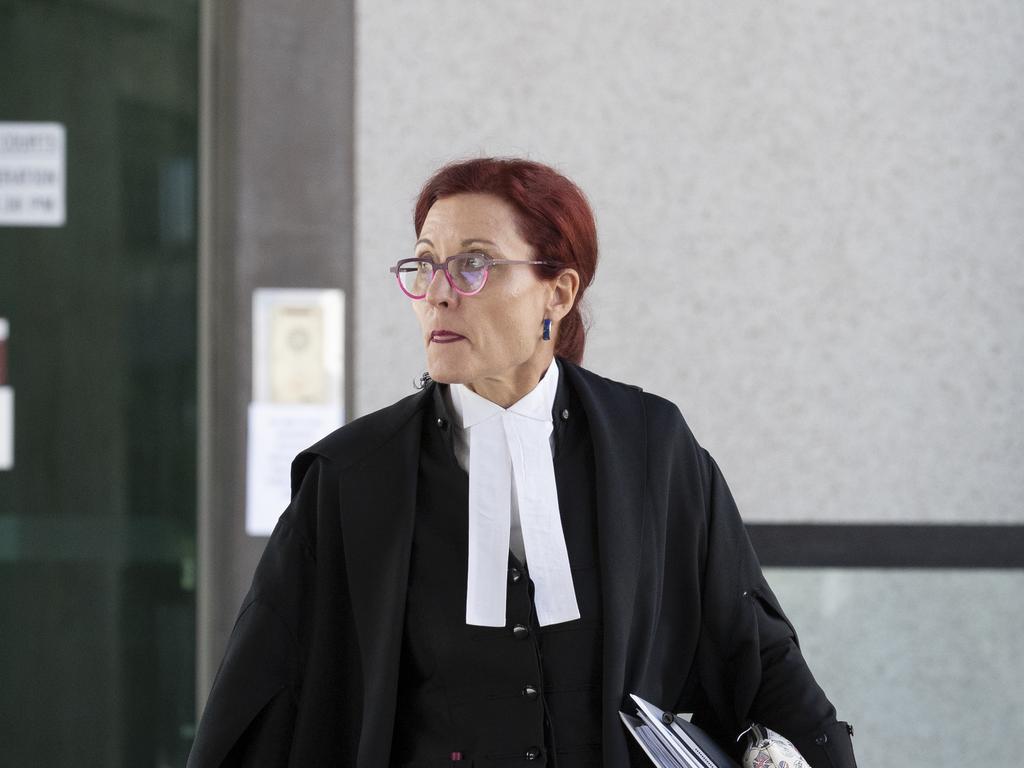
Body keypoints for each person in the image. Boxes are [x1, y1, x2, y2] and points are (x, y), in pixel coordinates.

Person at [187, 158, 858, 768]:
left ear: (557, 294)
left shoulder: (650, 447)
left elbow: (755, 653)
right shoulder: (354, 477)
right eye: (425, 265)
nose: (439, 293)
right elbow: (266, 697)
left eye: (473, 265)